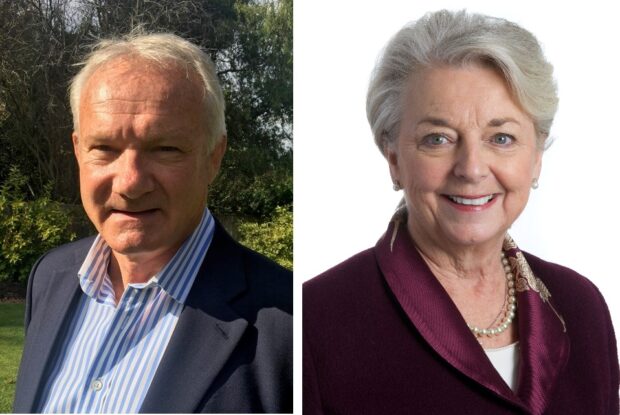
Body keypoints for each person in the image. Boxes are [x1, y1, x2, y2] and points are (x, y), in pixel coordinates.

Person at [303, 10, 618, 414]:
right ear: (394, 158)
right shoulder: (316, 323)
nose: (471, 168)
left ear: (536, 157)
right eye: (438, 139)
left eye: (501, 138)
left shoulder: (582, 307)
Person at [13, 32, 292, 414]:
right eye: (105, 149)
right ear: (78, 151)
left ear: (214, 156)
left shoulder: (289, 325)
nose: (130, 183)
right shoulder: (49, 278)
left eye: (164, 149)